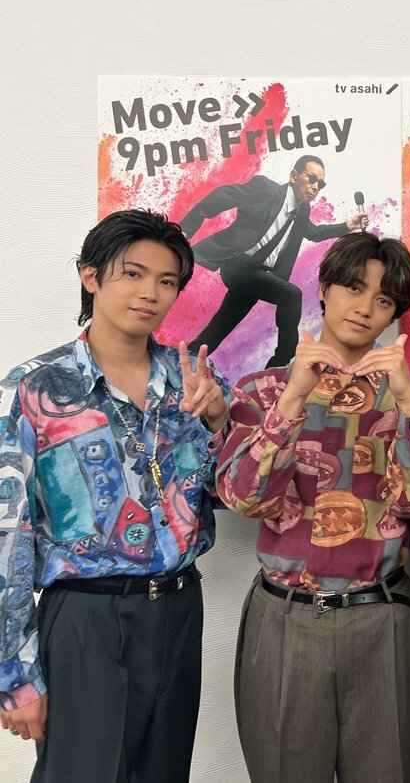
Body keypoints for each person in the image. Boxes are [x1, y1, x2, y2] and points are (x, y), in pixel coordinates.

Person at [0, 209, 230, 781]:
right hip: (87, 616)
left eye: (167, 281)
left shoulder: (194, 382)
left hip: (179, 607)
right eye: (132, 273)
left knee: (163, 772)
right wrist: (15, 676)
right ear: (91, 276)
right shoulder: (32, 389)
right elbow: (7, 536)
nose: (150, 292)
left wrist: (220, 425)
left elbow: (233, 498)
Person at [216, 232, 410, 783]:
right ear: (323, 289)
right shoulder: (262, 389)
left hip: (381, 614)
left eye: (383, 299)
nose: (364, 308)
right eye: (353, 288)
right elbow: (243, 498)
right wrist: (293, 398)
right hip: (284, 616)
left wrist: (408, 405)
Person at [180, 154, 368, 368]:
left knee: (222, 324)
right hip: (237, 266)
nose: (316, 187)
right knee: (291, 295)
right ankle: (282, 362)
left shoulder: (302, 210)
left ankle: (188, 357)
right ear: (294, 176)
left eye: (321, 184)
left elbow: (313, 232)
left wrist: (348, 226)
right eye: (312, 179)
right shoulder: (265, 190)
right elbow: (222, 196)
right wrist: (185, 229)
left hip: (258, 275)